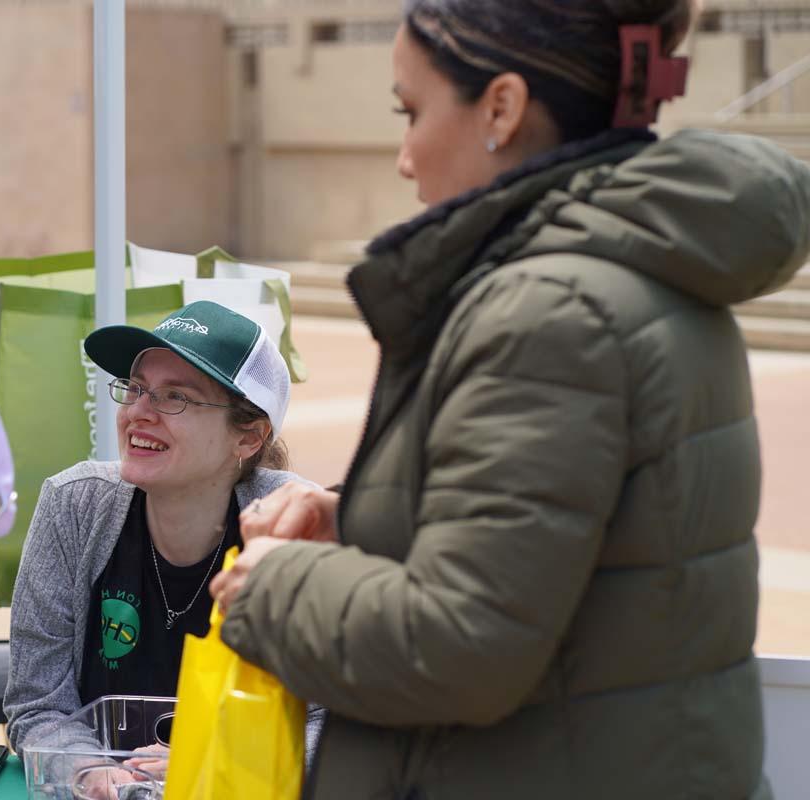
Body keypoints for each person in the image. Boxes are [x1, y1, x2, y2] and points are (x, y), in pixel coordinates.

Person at [209, 1, 810, 798]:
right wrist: (359, 523)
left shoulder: (549, 312)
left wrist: (274, 587)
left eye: (411, 111)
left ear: (501, 107)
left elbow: (462, 643)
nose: (403, 156)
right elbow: (569, 543)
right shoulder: (638, 272)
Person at [4, 300, 314, 768]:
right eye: (136, 388)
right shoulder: (73, 505)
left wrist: (210, 762)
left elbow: (334, 721)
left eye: (175, 397)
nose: (139, 413)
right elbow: (37, 705)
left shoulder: (294, 525)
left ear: (248, 437)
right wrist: (93, 774)